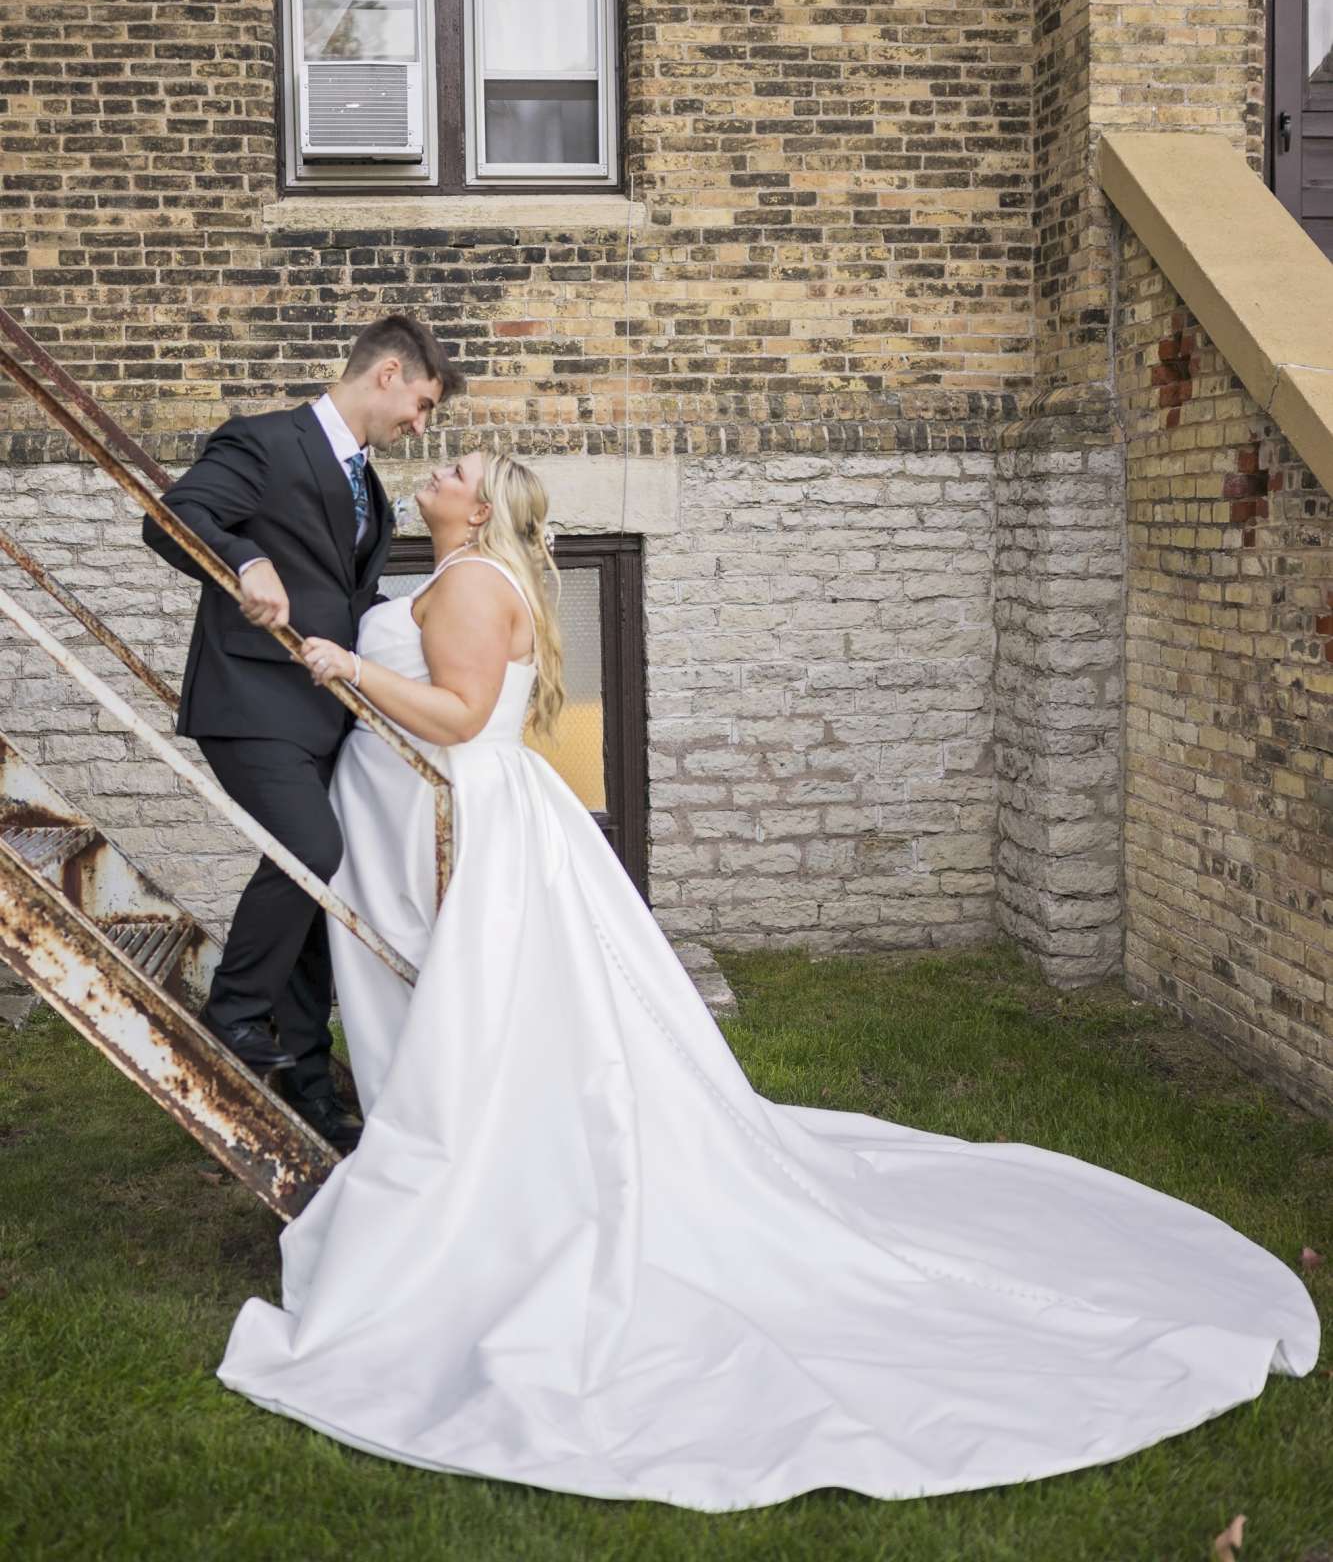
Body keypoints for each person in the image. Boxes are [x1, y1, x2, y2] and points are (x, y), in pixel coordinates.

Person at [214, 443, 1320, 1511]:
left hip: (463, 816)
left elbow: (457, 718)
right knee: (504, 1012)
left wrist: (347, 664)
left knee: (479, 1012)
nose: (437, 473)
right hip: (457, 815)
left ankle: (476, 1178)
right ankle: (495, 1142)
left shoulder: (462, 584)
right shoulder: (470, 573)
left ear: (479, 507)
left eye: (454, 472)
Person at [141, 314, 463, 1149]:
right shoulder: (263, 441)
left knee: (320, 906)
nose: (418, 427)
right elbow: (173, 515)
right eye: (422, 404)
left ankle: (314, 1089)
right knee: (311, 853)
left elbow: (347, 602)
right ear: (387, 373)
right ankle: (233, 1011)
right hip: (249, 702)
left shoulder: (373, 489)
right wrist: (246, 561)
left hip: (325, 717)